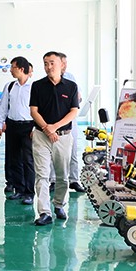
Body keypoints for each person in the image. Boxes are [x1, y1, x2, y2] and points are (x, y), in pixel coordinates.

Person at [29, 51, 79, 226]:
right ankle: (44, 212)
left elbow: (74, 111)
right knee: (42, 175)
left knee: (62, 175)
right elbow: (33, 110)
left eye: (52, 63)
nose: (48, 67)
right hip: (41, 136)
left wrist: (55, 127)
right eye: (45, 63)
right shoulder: (37, 86)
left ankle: (59, 204)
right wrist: (46, 128)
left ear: (61, 65)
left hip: (63, 137)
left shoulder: (71, 86)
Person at [0, 56, 34, 205]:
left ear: (21, 69)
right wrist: (0, 125)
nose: (10, 70)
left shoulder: (34, 86)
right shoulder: (10, 86)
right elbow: (3, 106)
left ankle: (29, 193)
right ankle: (19, 190)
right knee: (14, 159)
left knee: (28, 160)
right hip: (12, 126)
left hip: (28, 127)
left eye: (13, 67)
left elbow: (40, 109)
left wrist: (36, 127)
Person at [57, 52, 85, 193]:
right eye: (63, 63)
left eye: (66, 63)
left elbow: (78, 98)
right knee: (54, 153)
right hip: (55, 121)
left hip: (71, 120)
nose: (65, 65)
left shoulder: (70, 78)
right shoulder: (49, 80)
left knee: (73, 150)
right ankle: (53, 181)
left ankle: (74, 180)